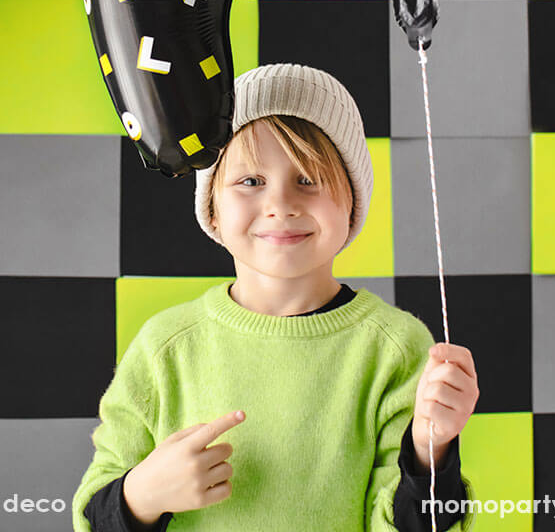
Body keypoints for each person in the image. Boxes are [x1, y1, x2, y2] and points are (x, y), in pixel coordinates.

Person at [73, 63, 479, 531]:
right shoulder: (164, 346)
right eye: (250, 181)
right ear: (212, 208)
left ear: (352, 203)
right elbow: (91, 515)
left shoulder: (396, 348)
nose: (281, 204)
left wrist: (432, 452)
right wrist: (141, 496)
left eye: (308, 179)